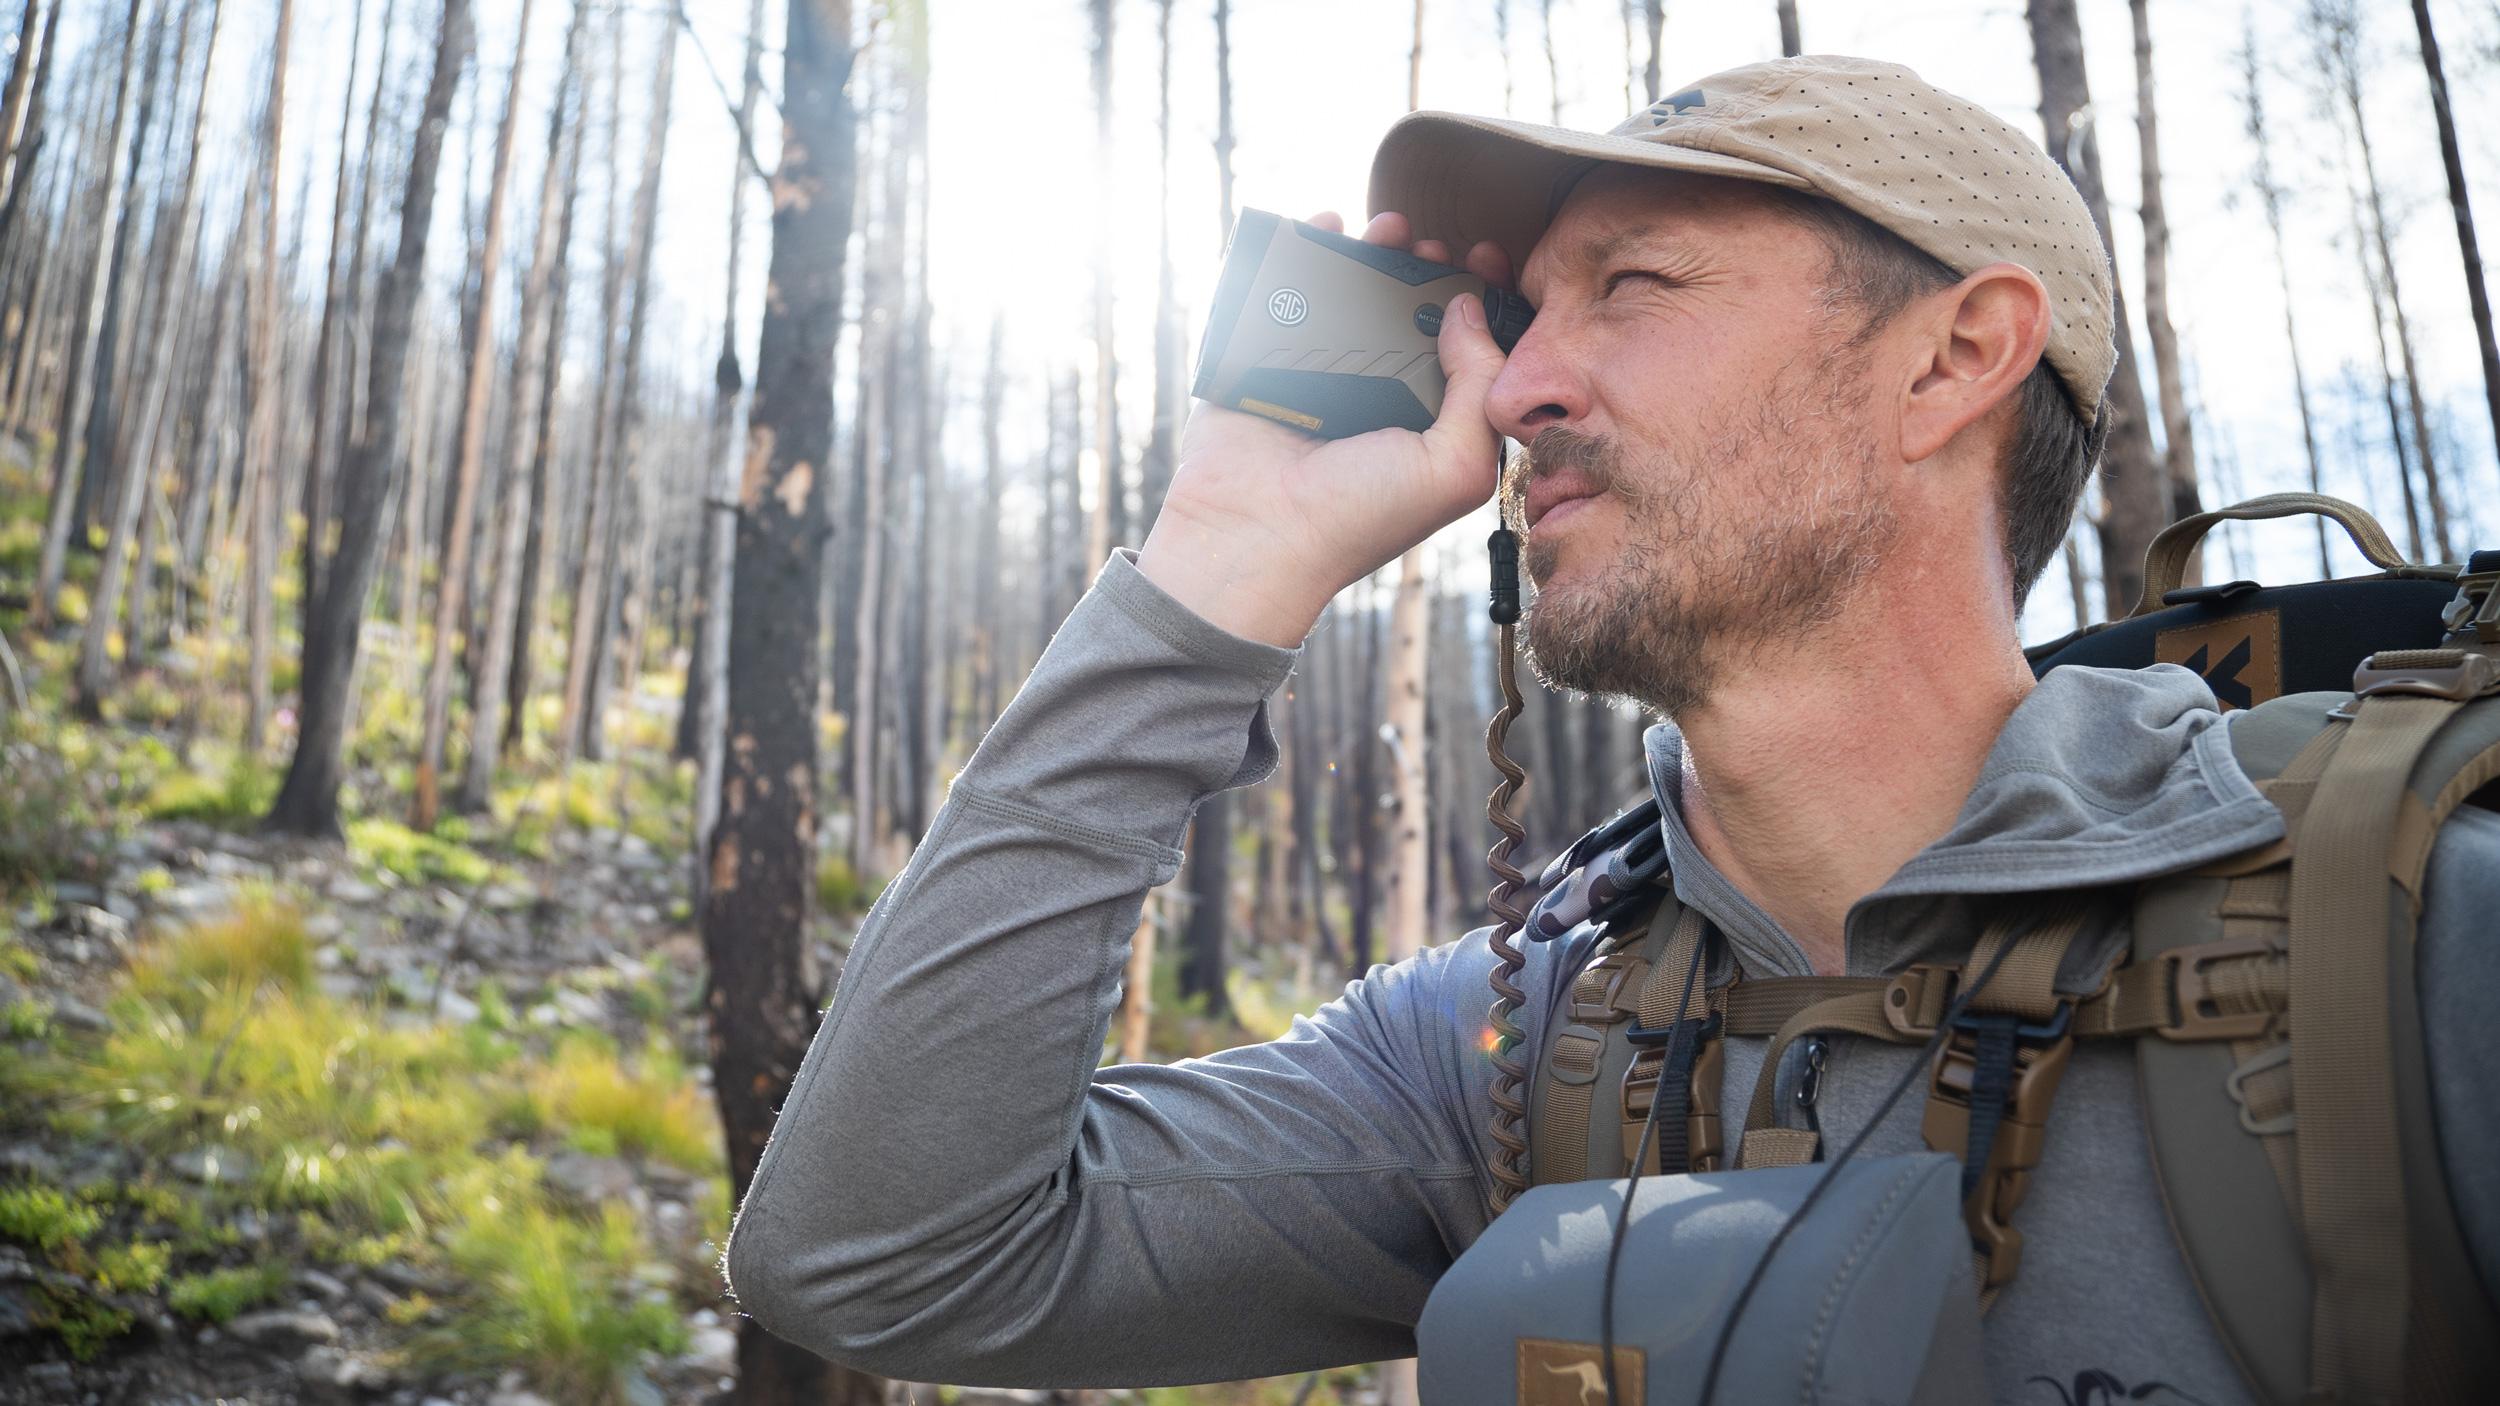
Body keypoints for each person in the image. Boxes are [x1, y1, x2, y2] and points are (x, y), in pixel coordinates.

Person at [721, 54, 2500, 1401]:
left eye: (1632, 285)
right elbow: (881, 1254)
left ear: (1955, 360)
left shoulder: (2413, 951)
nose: (1514, 386)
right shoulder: (1516, 1039)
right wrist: (1218, 567)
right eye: (1526, 312)